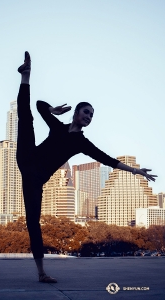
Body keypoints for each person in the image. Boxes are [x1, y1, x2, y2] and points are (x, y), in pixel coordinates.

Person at [16, 51, 157, 283]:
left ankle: (41, 273)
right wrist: (52, 110)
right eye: (86, 112)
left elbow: (107, 159)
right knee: (25, 117)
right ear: (76, 113)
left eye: (92, 115)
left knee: (33, 222)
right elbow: (39, 105)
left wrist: (136, 170)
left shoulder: (81, 142)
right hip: (27, 156)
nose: (89, 117)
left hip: (35, 178)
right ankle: (26, 75)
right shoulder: (59, 127)